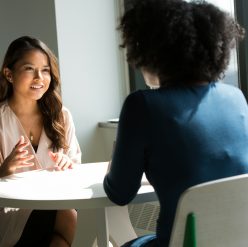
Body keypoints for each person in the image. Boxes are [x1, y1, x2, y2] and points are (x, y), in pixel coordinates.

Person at [103, 0, 248, 246]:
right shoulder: (235, 97)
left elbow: (120, 193)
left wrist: (112, 167)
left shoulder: (142, 105)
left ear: (153, 52)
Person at [0, 36, 82, 247]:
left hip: (57, 206)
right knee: (67, 215)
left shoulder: (61, 116)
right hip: (8, 214)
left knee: (66, 216)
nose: (39, 77)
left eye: (45, 70)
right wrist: (4, 169)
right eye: (29, 69)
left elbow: (77, 173)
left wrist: (68, 165)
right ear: (9, 74)